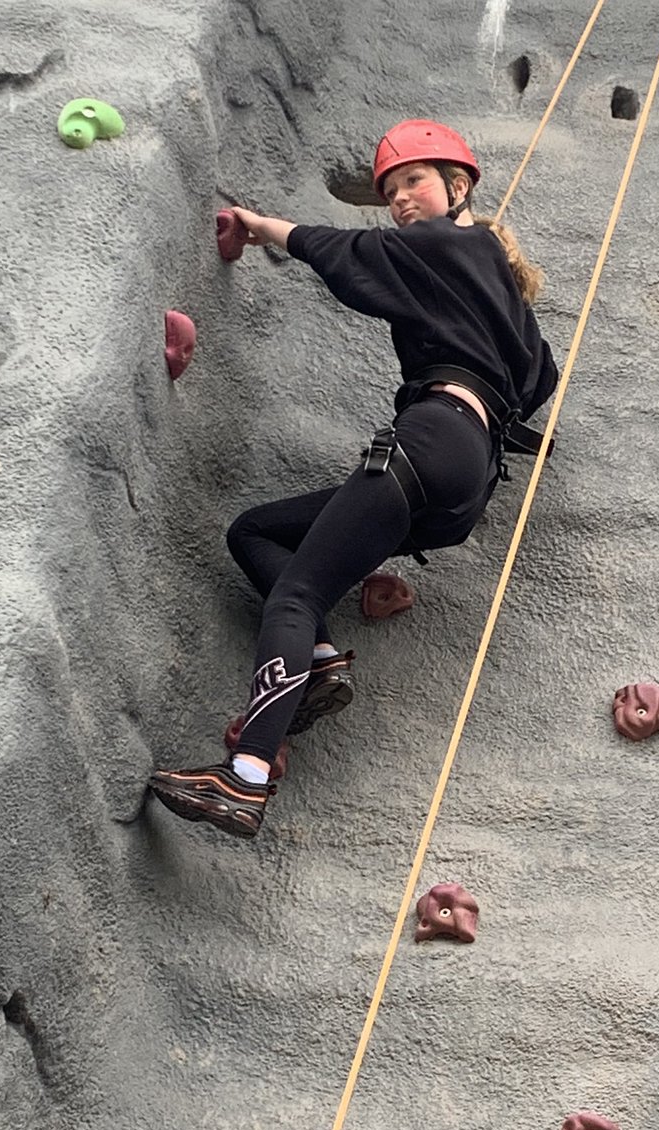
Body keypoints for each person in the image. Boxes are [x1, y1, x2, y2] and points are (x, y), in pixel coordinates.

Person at [148, 119, 558, 839]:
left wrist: (255, 223)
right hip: (464, 484)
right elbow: (543, 376)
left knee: (298, 592)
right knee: (256, 533)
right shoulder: (505, 295)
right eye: (391, 192)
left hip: (430, 438)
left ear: (459, 188)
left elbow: (339, 249)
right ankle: (320, 662)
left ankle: (244, 777)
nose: (400, 200)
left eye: (414, 183)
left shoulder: (444, 242)